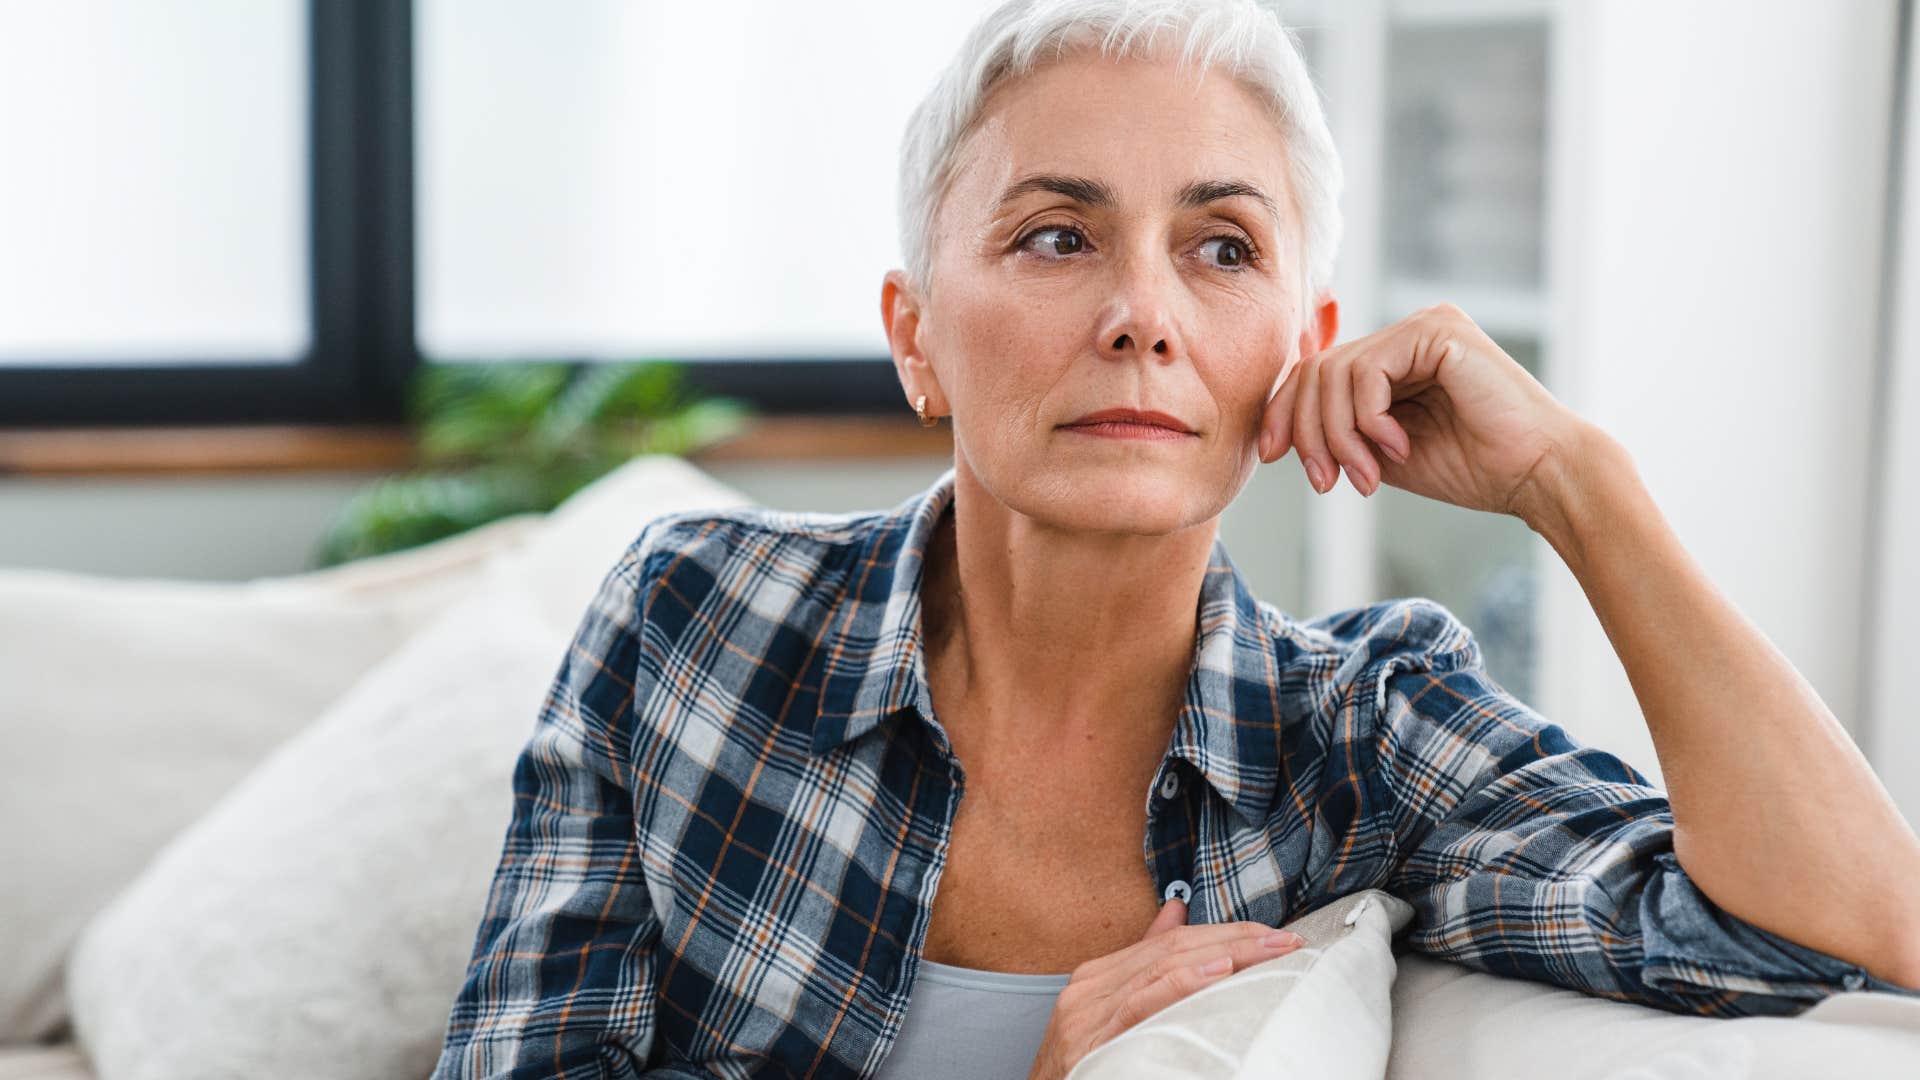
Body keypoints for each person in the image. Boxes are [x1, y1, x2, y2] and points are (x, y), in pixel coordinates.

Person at [429, 0, 1920, 1076]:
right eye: (1057, 236)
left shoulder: (1361, 733)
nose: (1142, 313)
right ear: (917, 335)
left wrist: (1580, 484)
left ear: (1302, 345)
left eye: (1223, 249)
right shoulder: (695, 620)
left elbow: (1843, 934)